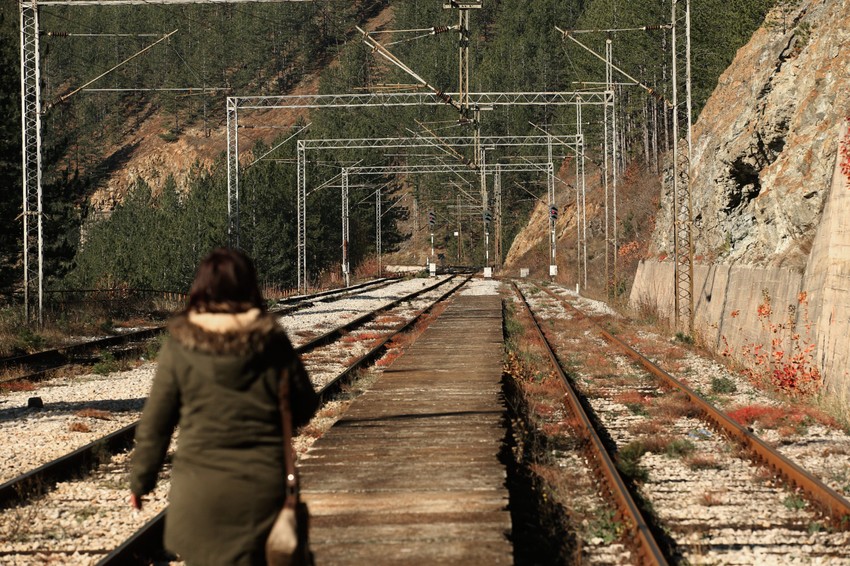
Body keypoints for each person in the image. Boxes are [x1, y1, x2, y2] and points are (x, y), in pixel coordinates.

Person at [129, 248, 319, 566]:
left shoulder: (180, 344)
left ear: (200, 288)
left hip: (199, 495)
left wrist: (141, 481)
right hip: (263, 492)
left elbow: (155, 424)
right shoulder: (271, 341)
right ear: (250, 287)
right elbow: (305, 405)